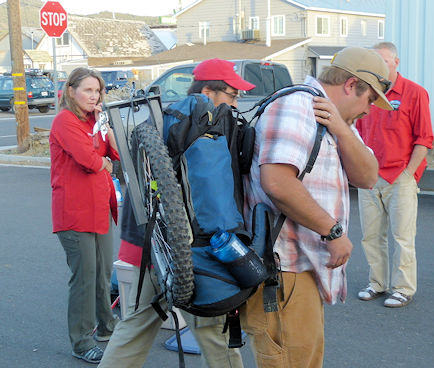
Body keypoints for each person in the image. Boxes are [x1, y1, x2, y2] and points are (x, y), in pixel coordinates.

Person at [240, 46, 394, 368]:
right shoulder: (298, 105)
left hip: (299, 272)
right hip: (282, 273)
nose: (370, 110)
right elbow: (278, 182)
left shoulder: (332, 117)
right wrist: (332, 231)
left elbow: (367, 176)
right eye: (369, 99)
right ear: (352, 85)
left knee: (304, 359)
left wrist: (341, 129)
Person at [98, 58, 255, 368]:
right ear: (209, 91)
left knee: (135, 326)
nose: (236, 102)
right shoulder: (203, 125)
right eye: (233, 95)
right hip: (191, 253)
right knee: (214, 333)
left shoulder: (163, 117)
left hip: (147, 247)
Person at [49, 67, 120, 364]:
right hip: (74, 212)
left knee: (103, 273)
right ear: (71, 91)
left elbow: (115, 155)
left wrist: (106, 128)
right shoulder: (64, 121)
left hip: (99, 208)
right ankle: (81, 341)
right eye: (88, 90)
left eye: (97, 91)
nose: (94, 96)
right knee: (85, 278)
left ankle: (107, 326)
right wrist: (102, 161)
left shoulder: (95, 121)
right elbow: (90, 161)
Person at [356, 42, 434, 308]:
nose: (379, 67)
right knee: (371, 235)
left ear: (396, 62)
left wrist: (410, 175)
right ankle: (377, 283)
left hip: (400, 176)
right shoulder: (367, 93)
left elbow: (424, 139)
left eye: (384, 61)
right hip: (369, 177)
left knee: (402, 236)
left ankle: (403, 288)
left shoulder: (415, 93)